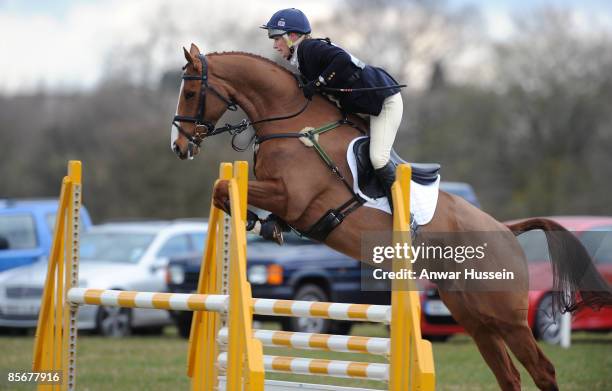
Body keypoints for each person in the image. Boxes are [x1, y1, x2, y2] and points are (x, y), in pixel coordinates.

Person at [260, 8, 403, 202]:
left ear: (292, 36)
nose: (275, 45)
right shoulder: (302, 56)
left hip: (384, 102)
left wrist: (318, 83)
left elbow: (341, 59)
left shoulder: (309, 48)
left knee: (378, 158)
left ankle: (405, 208)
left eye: (277, 38)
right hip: (362, 106)